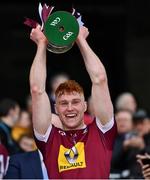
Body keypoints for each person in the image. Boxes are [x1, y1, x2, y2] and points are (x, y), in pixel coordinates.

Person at [29, 24, 117, 179]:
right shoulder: (48, 138)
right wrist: (41, 44)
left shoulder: (102, 132)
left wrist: (80, 39)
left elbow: (100, 80)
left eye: (75, 102)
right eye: (63, 103)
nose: (70, 108)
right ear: (55, 108)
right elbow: (37, 90)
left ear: (85, 106)